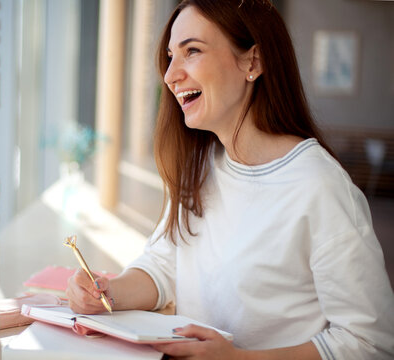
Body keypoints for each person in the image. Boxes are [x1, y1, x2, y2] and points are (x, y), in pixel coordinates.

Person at [66, 0, 394, 359]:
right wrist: (106, 293)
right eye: (171, 55)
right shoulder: (201, 166)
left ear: (252, 62)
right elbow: (163, 264)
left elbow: (369, 343)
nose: (171, 74)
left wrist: (238, 358)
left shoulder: (320, 187)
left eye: (192, 50)